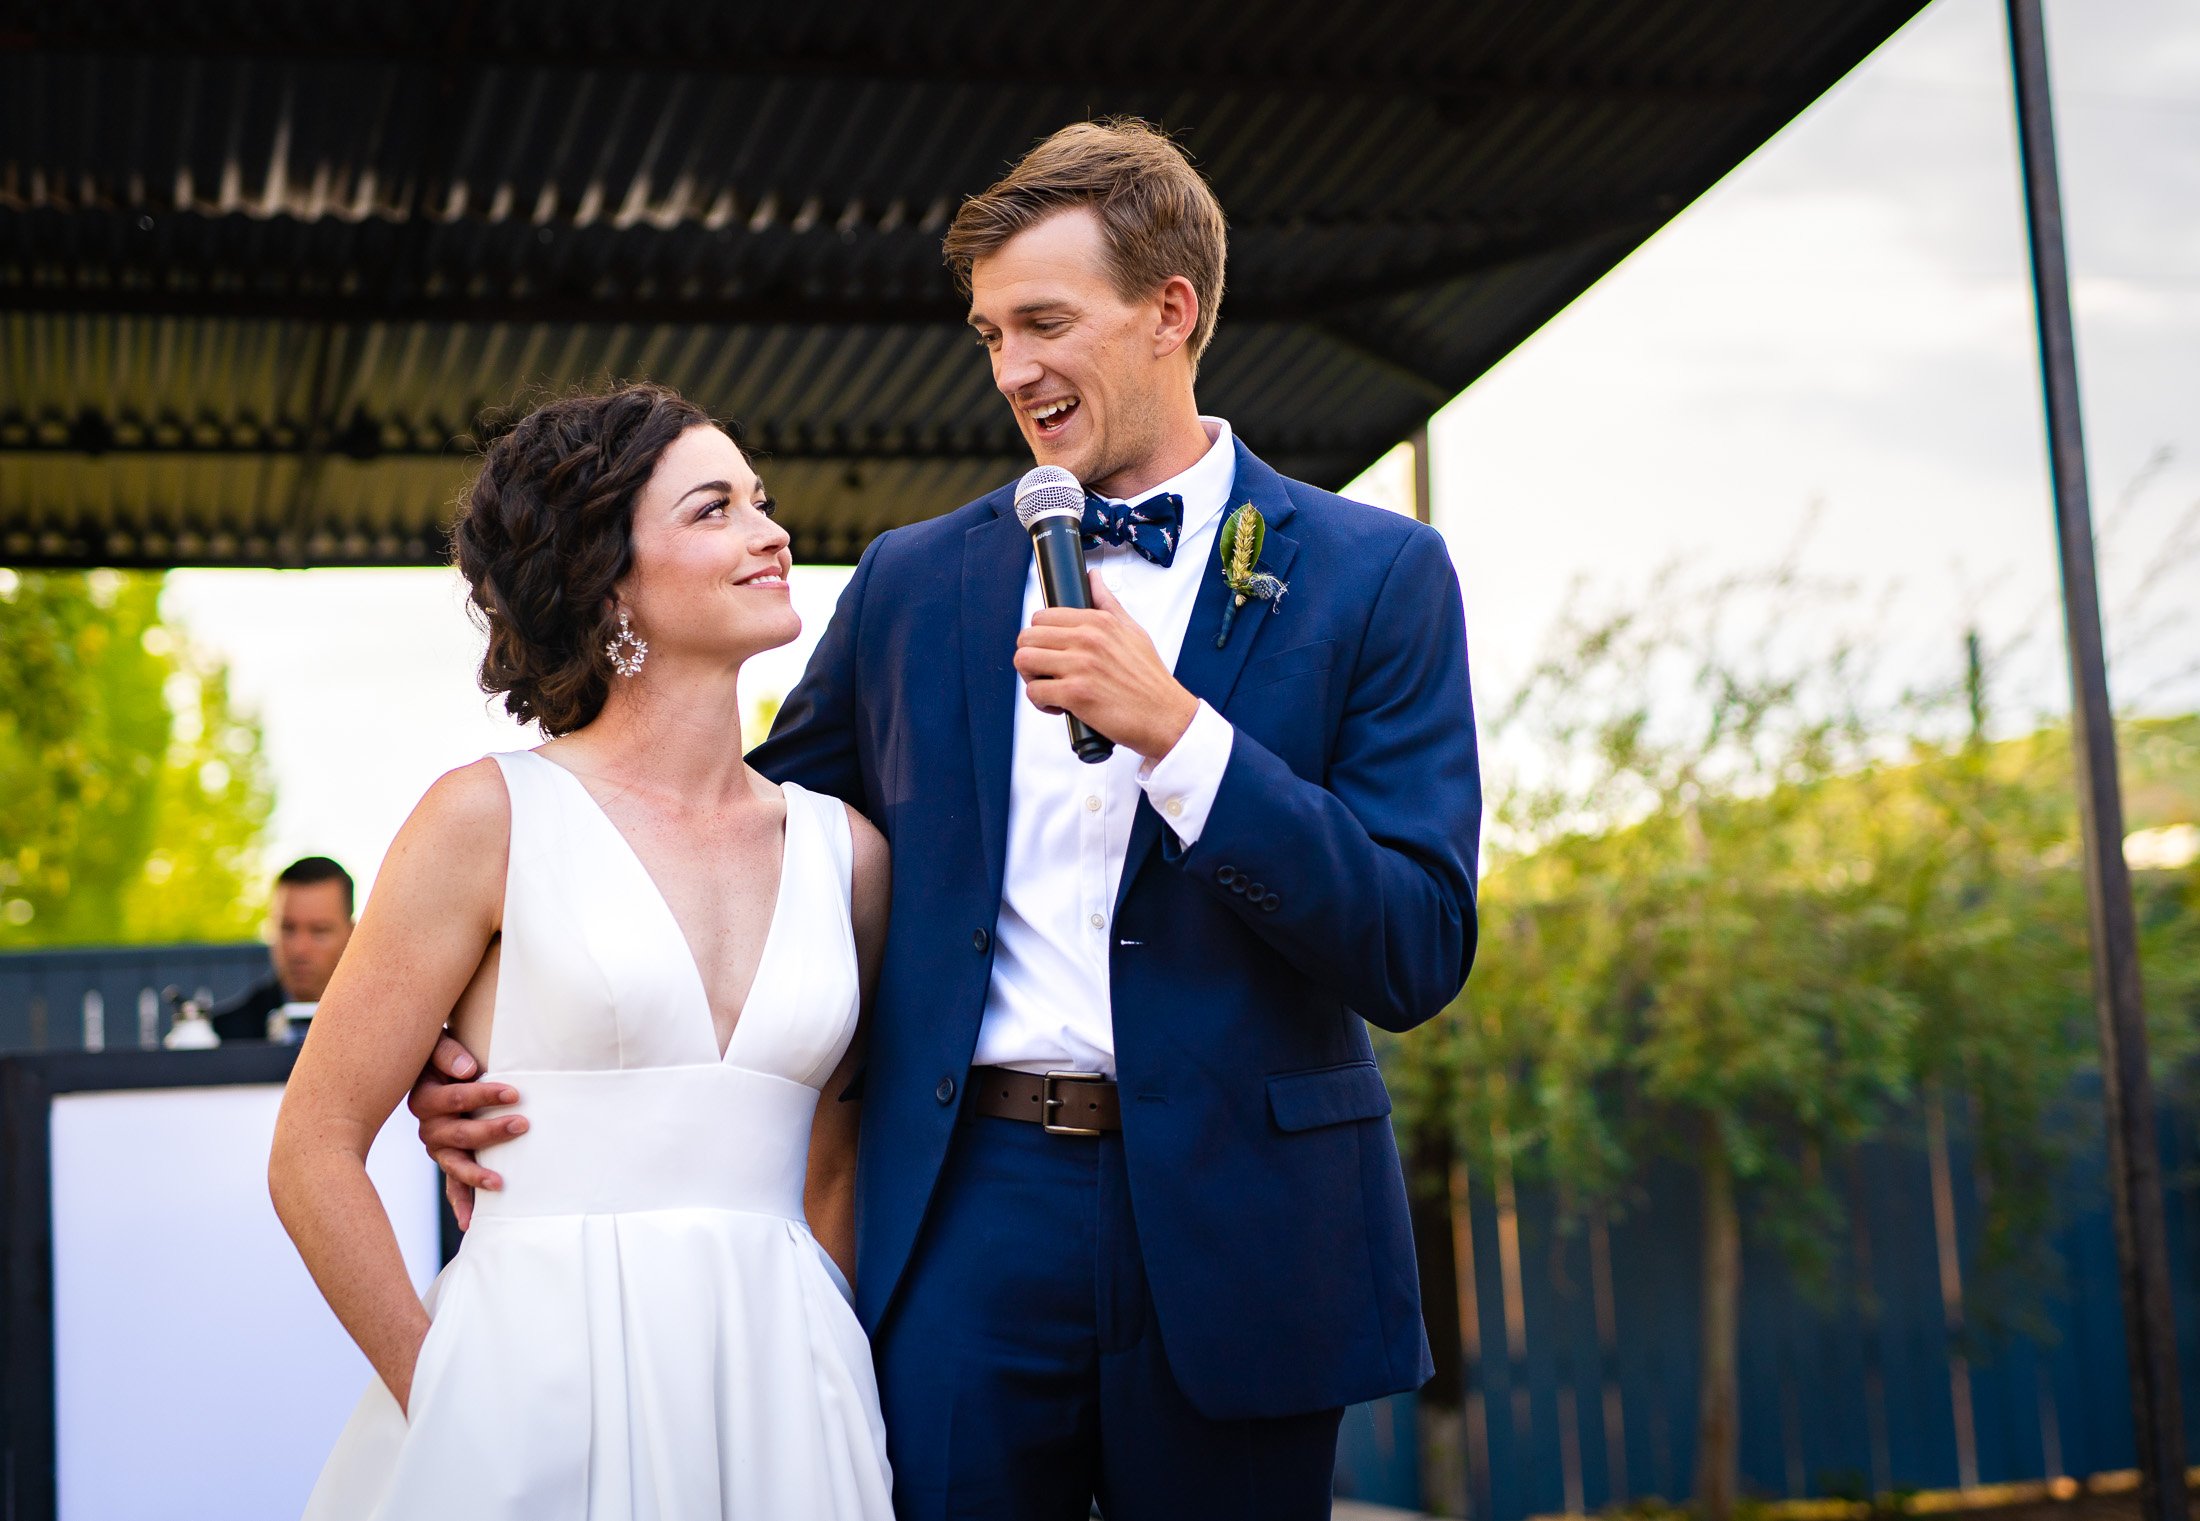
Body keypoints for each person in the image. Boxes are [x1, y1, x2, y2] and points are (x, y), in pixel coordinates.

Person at [414, 120, 1480, 1520]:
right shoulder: (916, 582)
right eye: (989, 335)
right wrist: (496, 1024)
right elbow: (730, 838)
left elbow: (1414, 944)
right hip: (969, 1208)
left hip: (1247, 1228)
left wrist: (1182, 736)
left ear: (1172, 312)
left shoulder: (1379, 573)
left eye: (1044, 321)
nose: (1012, 369)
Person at [269, 385, 894, 1518]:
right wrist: (445, 1392)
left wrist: (822, 1360)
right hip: (529, 1396)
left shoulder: (845, 854)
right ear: (610, 579)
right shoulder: (485, 821)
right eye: (715, 510)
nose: (771, 532)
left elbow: (836, 1168)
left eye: (762, 501)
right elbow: (311, 1151)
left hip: (788, 1399)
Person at [210, 856, 354, 1041]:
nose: (299, 949)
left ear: (352, 934)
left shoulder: (382, 1029)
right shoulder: (223, 1037)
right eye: (287, 928)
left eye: (319, 931)